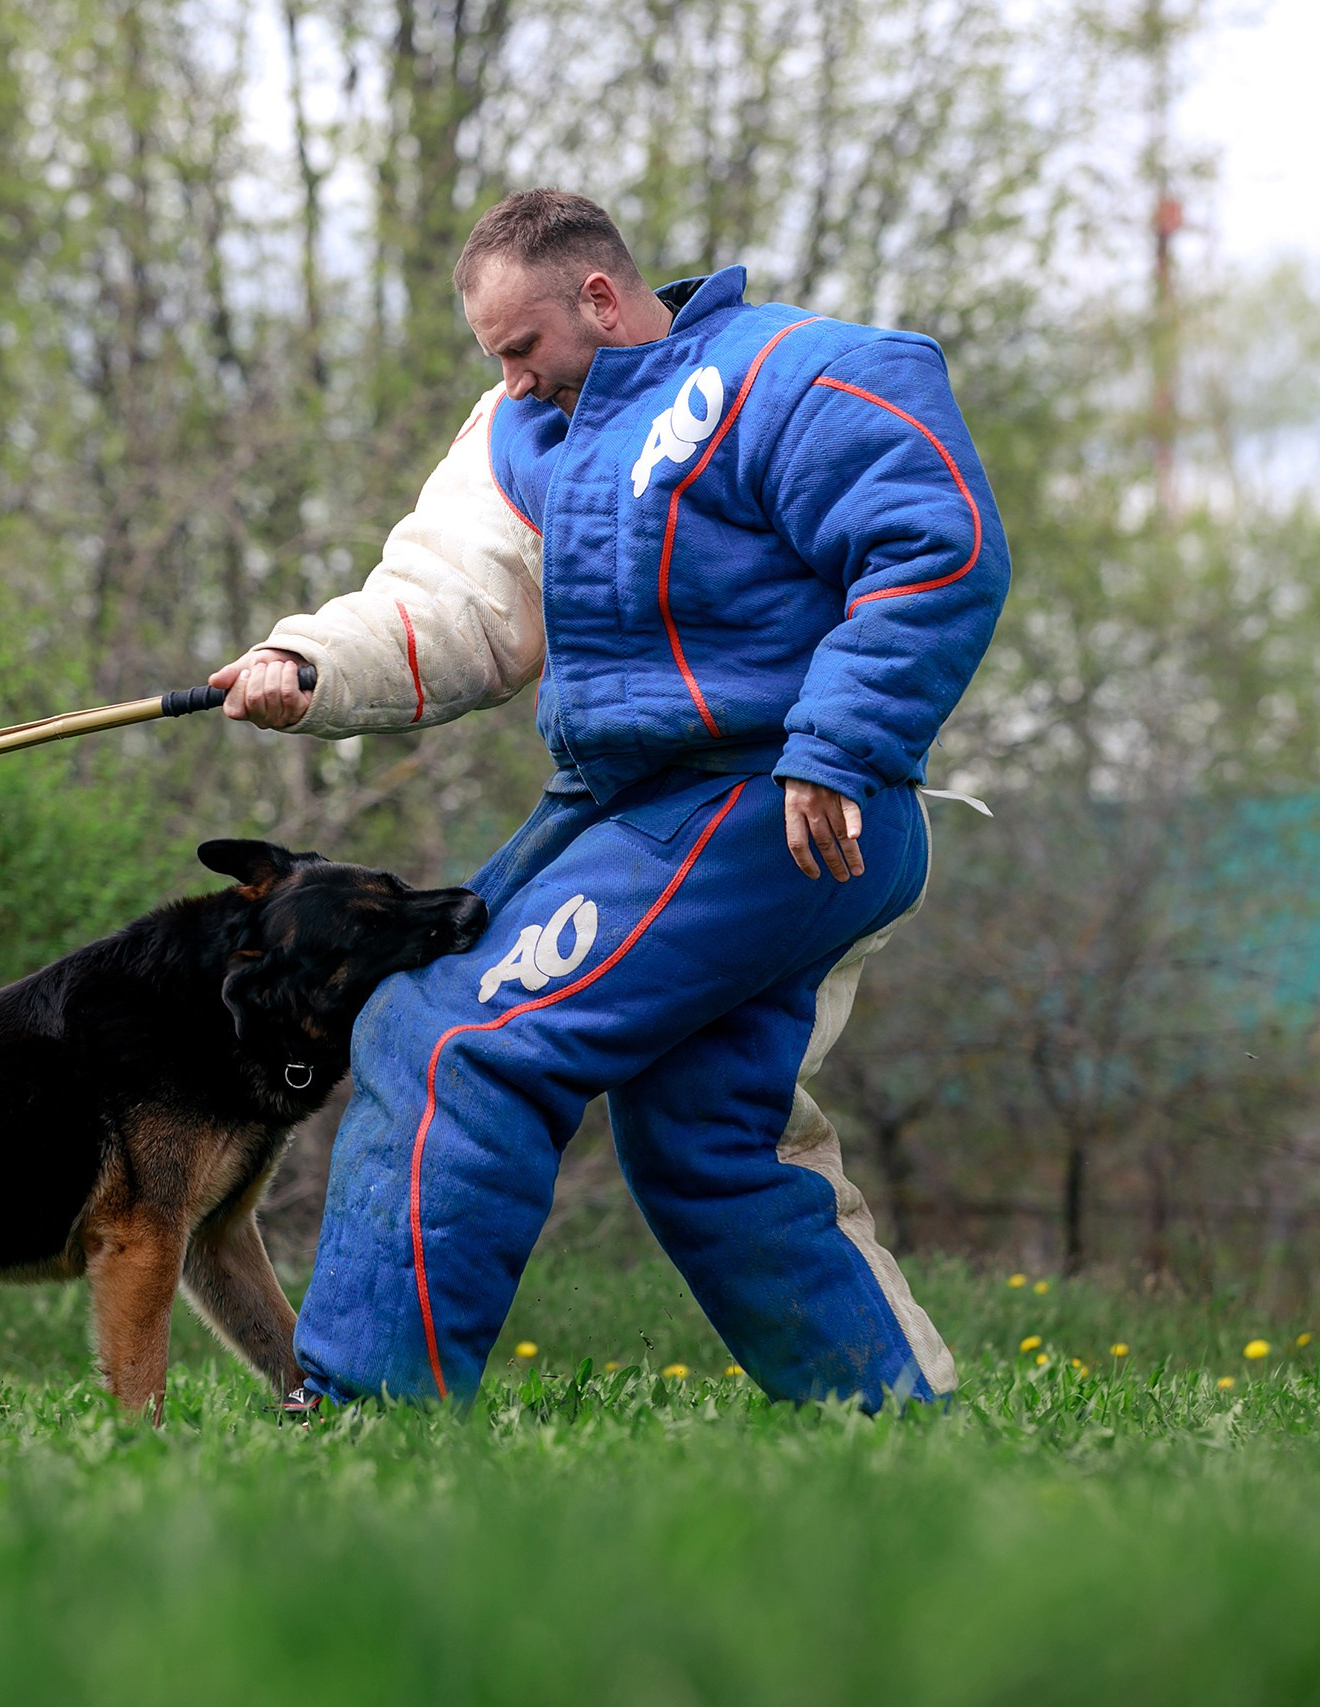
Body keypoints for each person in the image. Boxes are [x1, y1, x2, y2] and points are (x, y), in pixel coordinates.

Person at [210, 188, 1008, 1412]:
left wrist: (835, 745)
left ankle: (367, 1412)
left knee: (447, 1039)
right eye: (496, 358)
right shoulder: (518, 430)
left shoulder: (797, 374)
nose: (514, 380)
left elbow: (934, 548)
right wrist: (307, 663)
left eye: (523, 347)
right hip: (628, 811)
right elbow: (450, 605)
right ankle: (893, 1422)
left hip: (777, 804)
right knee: (706, 1136)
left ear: (598, 295)